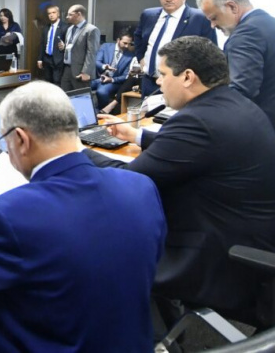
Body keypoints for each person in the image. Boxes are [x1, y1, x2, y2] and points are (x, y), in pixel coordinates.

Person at [0, 81, 166, 352]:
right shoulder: (141, 187)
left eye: (5, 143)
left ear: (21, 139)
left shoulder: (8, 216)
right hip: (125, 342)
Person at [84, 36, 275, 331]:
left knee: (108, 245)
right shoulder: (234, 105)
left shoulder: (197, 120)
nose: (158, 82)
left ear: (187, 76)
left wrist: (74, 150)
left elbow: (129, 181)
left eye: (162, 74)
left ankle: (145, 335)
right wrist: (137, 136)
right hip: (250, 237)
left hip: (219, 257)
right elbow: (196, 148)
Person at [197, 0, 275, 129]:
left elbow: (241, 89)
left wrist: (206, 117)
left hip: (261, 124)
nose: (213, 25)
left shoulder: (246, 35)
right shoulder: (269, 22)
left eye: (214, 18)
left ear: (232, 7)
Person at [135, 0, 216, 97]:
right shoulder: (148, 15)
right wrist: (141, 58)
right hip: (149, 82)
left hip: (180, 87)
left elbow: (210, 55)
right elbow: (138, 37)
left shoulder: (200, 18)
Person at [90, 29, 135, 107]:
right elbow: (97, 61)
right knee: (80, 88)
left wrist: (111, 79)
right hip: (99, 78)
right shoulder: (106, 47)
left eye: (129, 44)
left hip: (113, 81)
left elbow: (125, 76)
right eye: (125, 43)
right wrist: (104, 66)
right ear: (118, 40)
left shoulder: (130, 56)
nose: (127, 46)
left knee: (101, 92)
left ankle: (102, 111)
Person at [60, 4, 99, 92]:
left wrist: (86, 72)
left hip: (81, 71)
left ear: (79, 14)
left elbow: (92, 53)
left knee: (82, 97)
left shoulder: (91, 30)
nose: (67, 17)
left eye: (70, 14)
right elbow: (73, 47)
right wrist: (64, 47)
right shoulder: (70, 29)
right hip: (67, 69)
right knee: (65, 96)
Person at [37, 5, 67, 86]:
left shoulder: (65, 27)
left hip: (58, 60)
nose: (51, 15)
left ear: (58, 14)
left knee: (57, 82)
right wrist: (40, 59)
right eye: (49, 13)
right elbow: (42, 44)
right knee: (47, 83)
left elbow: (69, 44)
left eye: (54, 12)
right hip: (47, 59)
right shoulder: (46, 27)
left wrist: (64, 46)